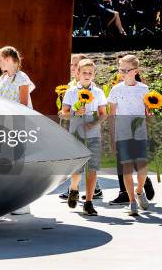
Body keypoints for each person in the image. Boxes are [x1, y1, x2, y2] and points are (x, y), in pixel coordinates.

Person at [61, 59, 107, 216]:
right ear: (77, 74)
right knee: (78, 169)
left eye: (90, 73)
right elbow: (63, 113)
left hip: (93, 134)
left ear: (94, 75)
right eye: (84, 73)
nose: (87, 75)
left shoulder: (98, 92)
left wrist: (94, 122)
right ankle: (73, 188)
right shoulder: (71, 92)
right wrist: (74, 113)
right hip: (76, 134)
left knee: (92, 169)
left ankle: (88, 202)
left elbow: (103, 114)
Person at [0, 46, 35, 216]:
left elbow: (23, 104)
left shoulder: (22, 78)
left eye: (0, 59)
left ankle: (23, 203)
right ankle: (8, 201)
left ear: (9, 59)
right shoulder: (2, 78)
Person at [107, 55, 151, 216]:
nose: (123, 73)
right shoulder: (116, 90)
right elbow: (111, 115)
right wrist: (112, 138)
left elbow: (147, 111)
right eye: (121, 70)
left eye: (127, 70)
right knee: (126, 168)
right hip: (123, 134)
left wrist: (149, 116)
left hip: (140, 134)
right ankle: (132, 201)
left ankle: (139, 191)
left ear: (136, 71)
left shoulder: (144, 89)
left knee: (143, 168)